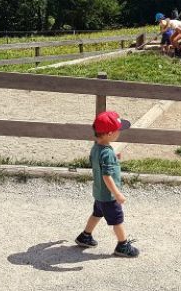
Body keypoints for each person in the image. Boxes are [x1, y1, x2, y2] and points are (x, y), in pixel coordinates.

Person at [76, 110, 140, 258]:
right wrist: (117, 194)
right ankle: (122, 246)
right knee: (117, 220)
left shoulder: (96, 148)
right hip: (109, 196)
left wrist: (114, 159)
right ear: (110, 133)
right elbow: (107, 176)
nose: (120, 133)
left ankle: (85, 236)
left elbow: (98, 163)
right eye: (118, 130)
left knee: (97, 214)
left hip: (99, 193)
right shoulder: (107, 153)